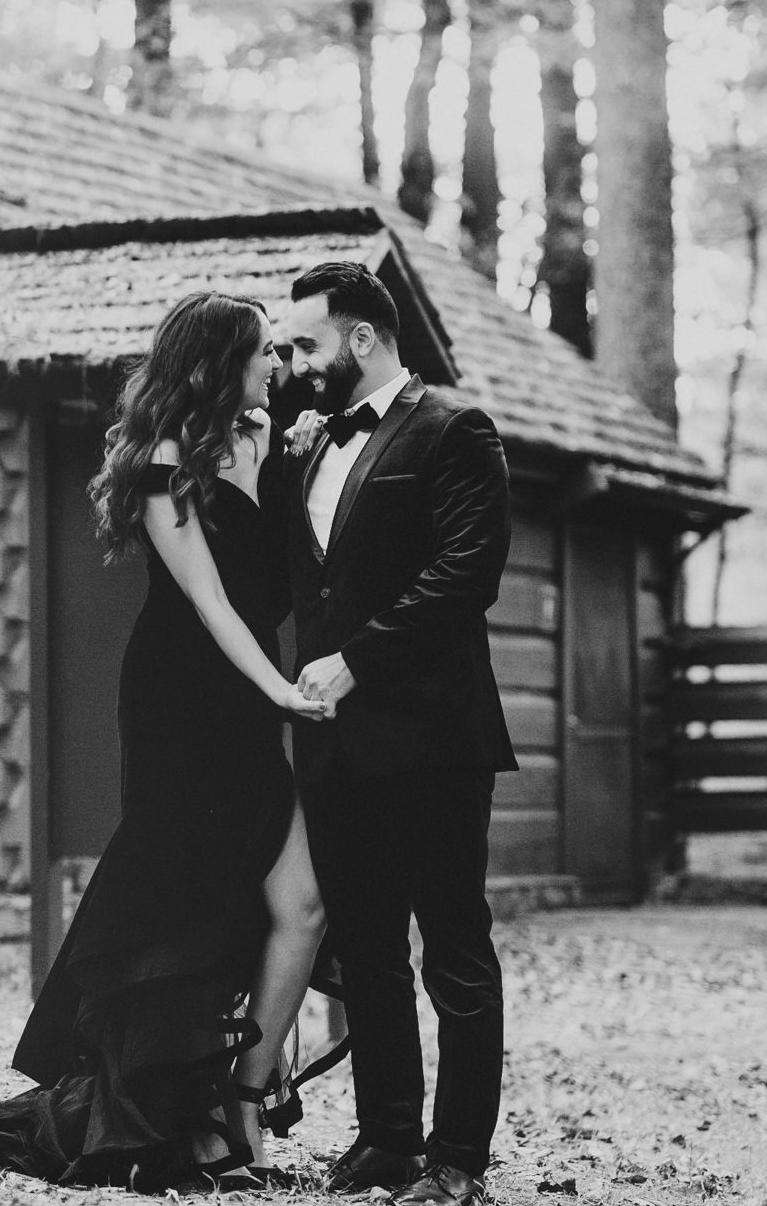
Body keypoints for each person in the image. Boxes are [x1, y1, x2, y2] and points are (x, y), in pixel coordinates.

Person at [0, 291, 338, 1192]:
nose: (277, 363)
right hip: (185, 694)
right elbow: (209, 601)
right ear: (221, 359)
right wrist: (280, 688)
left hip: (250, 692)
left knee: (270, 897)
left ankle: (230, 1103)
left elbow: (288, 579)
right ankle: (193, 1128)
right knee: (189, 892)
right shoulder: (169, 460)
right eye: (263, 350)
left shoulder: (270, 447)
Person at [279, 261, 516, 1206]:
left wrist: (358, 662)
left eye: (306, 344)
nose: (294, 363)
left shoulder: (455, 431)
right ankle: (386, 1141)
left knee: (454, 947)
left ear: (362, 338)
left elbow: (467, 574)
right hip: (333, 741)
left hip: (433, 737)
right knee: (368, 948)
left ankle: (457, 1157)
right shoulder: (306, 444)